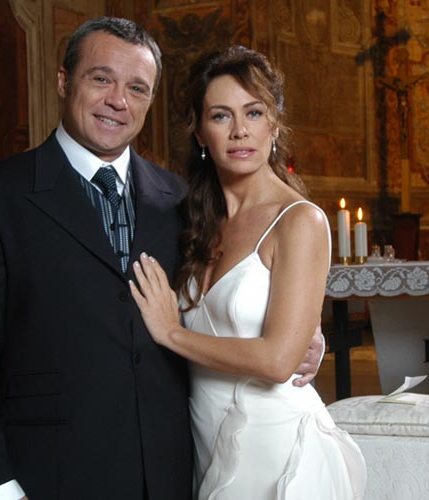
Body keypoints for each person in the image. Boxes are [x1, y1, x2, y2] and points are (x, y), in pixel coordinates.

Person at [0, 18, 322, 500]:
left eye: (137, 88)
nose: (118, 100)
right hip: (51, 474)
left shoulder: (182, 201)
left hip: (174, 470)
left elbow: (228, 294)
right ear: (63, 81)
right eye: (101, 79)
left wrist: (303, 336)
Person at [129, 46, 366, 499]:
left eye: (253, 112)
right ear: (200, 133)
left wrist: (172, 333)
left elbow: (278, 361)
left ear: (274, 124)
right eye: (221, 116)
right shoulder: (193, 220)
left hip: (277, 448)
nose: (240, 130)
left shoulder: (300, 221)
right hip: (204, 441)